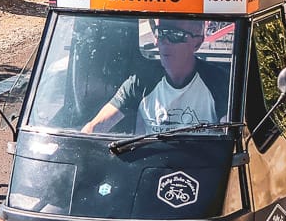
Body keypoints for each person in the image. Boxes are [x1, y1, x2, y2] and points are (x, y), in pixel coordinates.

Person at [81, 19, 228, 135]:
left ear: (197, 42)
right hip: (151, 167)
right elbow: (94, 128)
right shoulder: (140, 82)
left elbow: (232, 136)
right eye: (160, 33)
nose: (163, 41)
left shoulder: (219, 83)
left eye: (174, 35)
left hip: (203, 169)